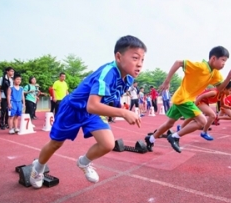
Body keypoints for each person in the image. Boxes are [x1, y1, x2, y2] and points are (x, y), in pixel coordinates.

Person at [29, 35, 146, 188]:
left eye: (142, 60)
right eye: (135, 58)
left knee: (108, 144)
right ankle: (38, 168)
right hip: (73, 109)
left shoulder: (128, 78)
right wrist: (123, 113)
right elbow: (92, 105)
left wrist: (121, 108)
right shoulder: (108, 73)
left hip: (92, 112)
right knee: (55, 144)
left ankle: (83, 162)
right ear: (119, 56)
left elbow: (109, 98)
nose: (140, 65)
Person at [144, 46, 231, 153]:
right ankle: (175, 136)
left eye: (226, 61)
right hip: (183, 99)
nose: (224, 64)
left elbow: (219, 88)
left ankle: (150, 139)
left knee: (169, 124)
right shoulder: (200, 67)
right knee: (202, 121)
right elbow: (178, 62)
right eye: (223, 60)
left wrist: (228, 78)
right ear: (213, 58)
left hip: (182, 98)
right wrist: (167, 81)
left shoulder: (215, 74)